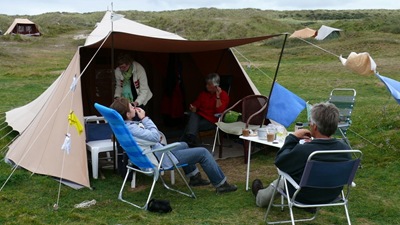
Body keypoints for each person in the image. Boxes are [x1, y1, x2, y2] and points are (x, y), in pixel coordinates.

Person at [110, 97, 237, 194]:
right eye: (131, 107)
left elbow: (151, 138)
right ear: (127, 114)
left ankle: (194, 178)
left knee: (184, 144)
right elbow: (155, 137)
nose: (133, 107)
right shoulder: (133, 129)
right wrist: (144, 118)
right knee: (203, 153)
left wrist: (152, 136)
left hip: (151, 154)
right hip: (160, 158)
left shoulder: (122, 128)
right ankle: (221, 185)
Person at [252, 102, 352, 208]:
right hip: (331, 194)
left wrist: (293, 138)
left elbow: (280, 162)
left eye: (310, 122)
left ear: (314, 127)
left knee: (281, 182)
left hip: (304, 195)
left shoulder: (306, 150)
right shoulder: (345, 149)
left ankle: (259, 197)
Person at [181, 73, 229, 146]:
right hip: (200, 117)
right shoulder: (204, 94)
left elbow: (220, 111)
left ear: (216, 86)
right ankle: (190, 141)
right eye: (207, 84)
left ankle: (185, 142)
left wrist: (218, 96)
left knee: (191, 125)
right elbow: (196, 103)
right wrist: (193, 107)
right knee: (193, 117)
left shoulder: (223, 95)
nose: (207, 86)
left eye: (209, 84)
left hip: (212, 120)